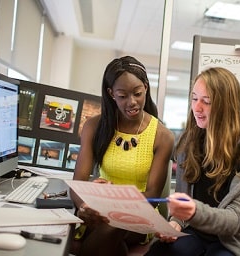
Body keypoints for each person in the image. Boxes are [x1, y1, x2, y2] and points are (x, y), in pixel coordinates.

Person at [145, 67, 240, 256]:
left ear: (226, 107)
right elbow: (184, 204)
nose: (197, 108)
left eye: (206, 101)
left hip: (237, 241)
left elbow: (234, 222)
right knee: (159, 252)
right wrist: (175, 222)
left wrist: (193, 211)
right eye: (194, 98)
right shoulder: (187, 144)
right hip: (197, 233)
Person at [70, 56, 175, 256]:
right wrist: (84, 205)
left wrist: (112, 206)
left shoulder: (163, 136)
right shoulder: (94, 126)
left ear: (145, 87)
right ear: (111, 94)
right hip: (99, 211)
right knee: (110, 239)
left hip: (138, 215)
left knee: (111, 226)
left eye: (137, 93)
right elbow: (79, 182)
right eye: (122, 95)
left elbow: (152, 195)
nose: (132, 102)